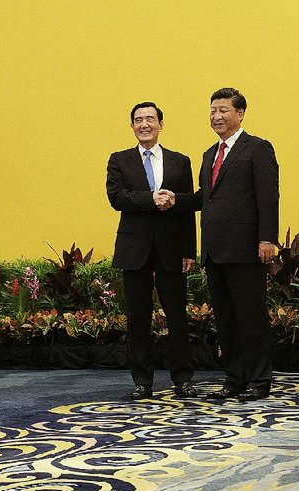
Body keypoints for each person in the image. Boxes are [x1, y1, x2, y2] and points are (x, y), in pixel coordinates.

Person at [174, 87, 279, 401]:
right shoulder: (209, 154)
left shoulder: (257, 148)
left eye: (223, 110)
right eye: (212, 111)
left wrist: (267, 239)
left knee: (251, 318)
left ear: (240, 113)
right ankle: (234, 379)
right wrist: (171, 200)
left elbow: (268, 197)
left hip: (247, 249)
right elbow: (204, 198)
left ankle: (259, 380)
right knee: (225, 320)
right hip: (215, 252)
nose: (216, 116)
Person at [106, 101, 198, 400]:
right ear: (132, 126)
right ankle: (142, 382)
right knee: (138, 319)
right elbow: (117, 197)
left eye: (150, 119)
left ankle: (183, 379)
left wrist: (189, 250)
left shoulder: (179, 161)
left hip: (172, 248)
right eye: (138, 120)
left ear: (161, 124)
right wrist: (151, 199)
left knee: (177, 317)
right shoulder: (119, 160)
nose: (144, 124)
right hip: (135, 249)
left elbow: (187, 208)